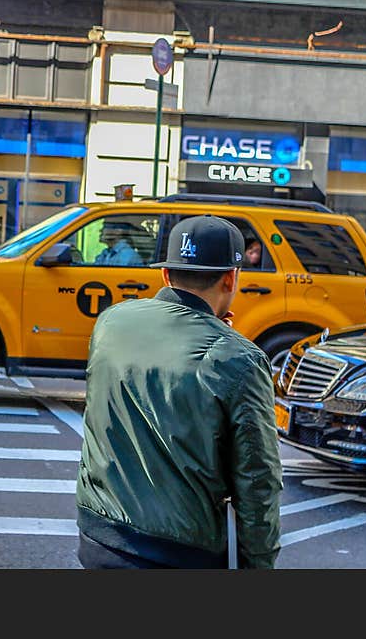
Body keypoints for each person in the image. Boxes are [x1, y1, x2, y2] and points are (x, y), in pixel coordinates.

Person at [77, 214, 282, 569]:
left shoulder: (111, 322)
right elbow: (257, 480)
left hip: (98, 533)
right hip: (179, 550)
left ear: (166, 274)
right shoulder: (240, 358)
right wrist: (258, 564)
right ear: (231, 277)